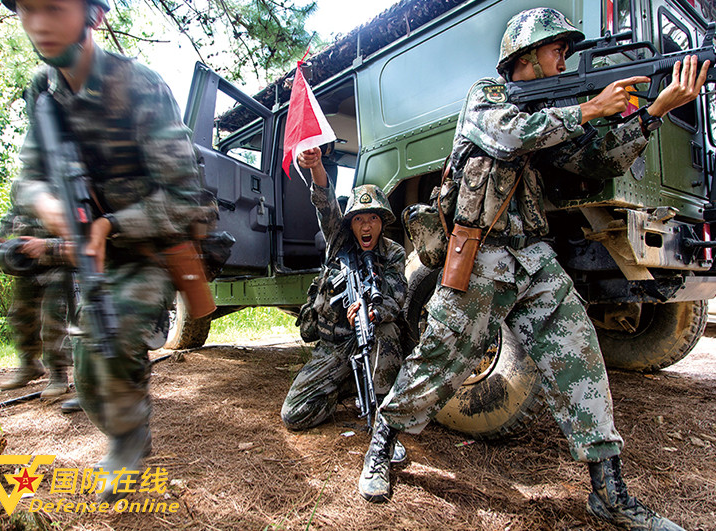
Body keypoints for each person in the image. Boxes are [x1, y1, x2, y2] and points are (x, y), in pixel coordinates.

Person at [357, 8, 708, 530]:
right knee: (440, 358)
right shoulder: (486, 97)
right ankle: (383, 442)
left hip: (533, 254)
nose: (563, 59)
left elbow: (598, 160)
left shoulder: (556, 111)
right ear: (524, 56)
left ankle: (608, 491)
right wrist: (589, 107)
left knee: (580, 355)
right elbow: (507, 136)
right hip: (478, 254)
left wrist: (653, 111)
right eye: (556, 50)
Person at [3, 0, 212, 502]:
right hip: (92, 251)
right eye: (26, 10)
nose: (37, 24)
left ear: (93, 16)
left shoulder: (139, 86)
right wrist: (48, 204)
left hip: (150, 246)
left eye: (52, 8)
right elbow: (27, 178)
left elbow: (186, 197)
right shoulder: (43, 91)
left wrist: (110, 223)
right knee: (91, 368)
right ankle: (119, 418)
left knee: (112, 332)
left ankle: (128, 441)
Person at [281, 147, 407, 462]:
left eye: (373, 219)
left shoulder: (393, 254)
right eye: (359, 219)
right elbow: (324, 201)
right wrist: (316, 166)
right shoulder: (339, 239)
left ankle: (385, 423)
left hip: (371, 333)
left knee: (388, 331)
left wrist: (374, 312)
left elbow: (398, 297)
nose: (366, 227)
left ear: (383, 222)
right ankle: (344, 385)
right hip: (335, 344)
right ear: (350, 223)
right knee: (294, 414)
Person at [0, 208, 76, 406]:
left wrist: (48, 244)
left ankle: (58, 374)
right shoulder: (26, 181)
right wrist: (1, 235)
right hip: (26, 259)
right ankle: (29, 365)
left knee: (53, 317)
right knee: (20, 315)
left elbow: (77, 225)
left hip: (58, 259)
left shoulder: (63, 180)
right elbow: (13, 210)